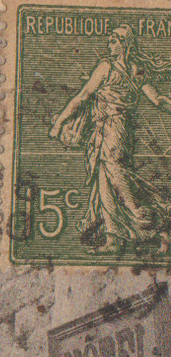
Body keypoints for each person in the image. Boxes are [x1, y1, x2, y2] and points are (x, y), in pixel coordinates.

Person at [50, 25, 171, 253]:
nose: (110, 45)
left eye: (114, 41)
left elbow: (83, 96)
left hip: (111, 130)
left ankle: (158, 221)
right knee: (106, 182)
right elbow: (157, 100)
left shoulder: (106, 66)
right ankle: (114, 238)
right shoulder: (138, 69)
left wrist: (59, 123)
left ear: (124, 44)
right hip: (119, 132)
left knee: (120, 183)